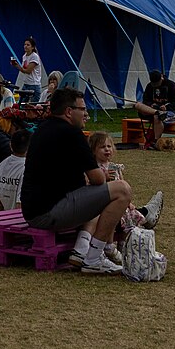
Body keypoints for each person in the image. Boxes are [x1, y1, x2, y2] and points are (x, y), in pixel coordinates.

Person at [19, 87, 134, 274]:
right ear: (69, 111)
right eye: (82, 109)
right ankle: (94, 257)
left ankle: (85, 250)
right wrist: (105, 175)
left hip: (33, 210)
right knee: (122, 190)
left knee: (100, 200)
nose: (86, 113)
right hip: (50, 212)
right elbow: (97, 179)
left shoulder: (43, 129)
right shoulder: (72, 134)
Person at [131, 72, 175, 142]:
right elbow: (145, 101)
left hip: (169, 112)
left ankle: (156, 141)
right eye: (153, 84)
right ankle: (157, 112)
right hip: (152, 110)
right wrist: (151, 105)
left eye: (157, 83)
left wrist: (167, 107)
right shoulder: (149, 86)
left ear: (161, 78)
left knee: (157, 117)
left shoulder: (171, 85)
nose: (155, 85)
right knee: (137, 105)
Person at [0, 130, 29, 210]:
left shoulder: (1, 165)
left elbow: (1, 198)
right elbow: (19, 205)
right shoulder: (27, 168)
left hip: (7, 213)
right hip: (18, 218)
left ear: (10, 146)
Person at [11, 38, 44, 102]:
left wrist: (17, 66)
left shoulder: (34, 56)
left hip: (34, 85)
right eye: (25, 44)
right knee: (21, 105)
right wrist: (16, 65)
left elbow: (28, 71)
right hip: (26, 84)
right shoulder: (24, 56)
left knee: (33, 106)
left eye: (28, 45)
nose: (25, 46)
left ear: (32, 47)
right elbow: (24, 69)